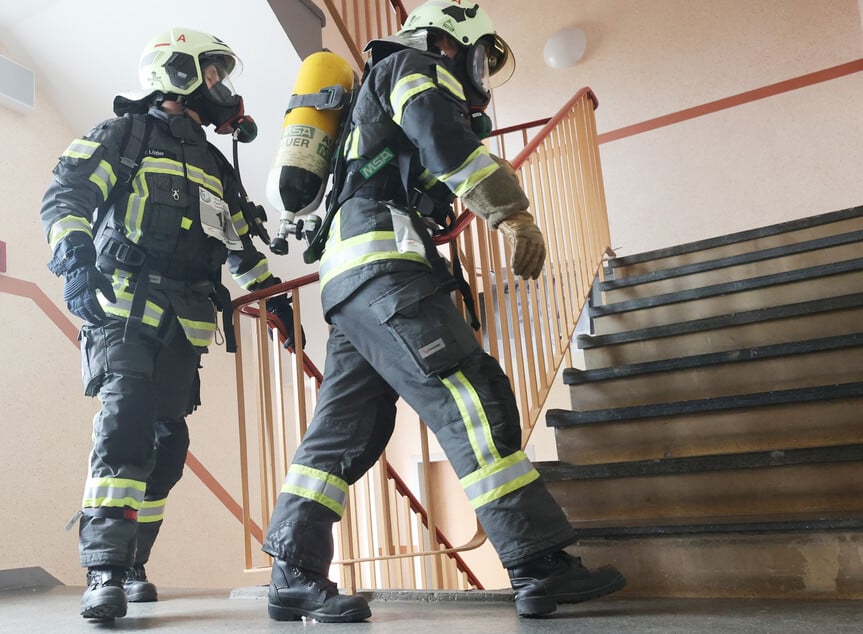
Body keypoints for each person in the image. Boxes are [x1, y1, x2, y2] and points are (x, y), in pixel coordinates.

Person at [260, 0, 625, 623]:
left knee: (344, 430)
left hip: (350, 282)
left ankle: (293, 571)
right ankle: (537, 560)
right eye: (478, 56)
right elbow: (440, 137)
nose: (479, 73)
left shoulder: (371, 97)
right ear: (447, 41)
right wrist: (511, 211)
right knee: (470, 397)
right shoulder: (409, 64)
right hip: (386, 272)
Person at [40, 28, 300, 621]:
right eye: (212, 76)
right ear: (176, 73)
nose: (222, 89)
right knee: (124, 427)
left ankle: (133, 561)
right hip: (123, 309)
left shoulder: (212, 163)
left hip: (187, 324)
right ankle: (102, 568)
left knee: (169, 446)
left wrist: (272, 296)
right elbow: (66, 198)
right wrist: (75, 263)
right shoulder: (124, 136)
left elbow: (238, 242)